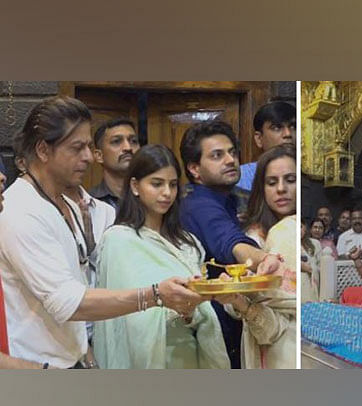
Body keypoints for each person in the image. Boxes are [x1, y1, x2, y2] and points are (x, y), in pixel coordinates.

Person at [0, 96, 206, 369]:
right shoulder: (21, 208)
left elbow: (81, 284)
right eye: (77, 148)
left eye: (88, 146)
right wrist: (155, 295)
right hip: (35, 366)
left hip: (73, 361)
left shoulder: (68, 204)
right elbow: (67, 303)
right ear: (43, 150)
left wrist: (85, 352)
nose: (88, 157)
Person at [93, 144, 229, 369]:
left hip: (191, 354)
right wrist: (171, 305)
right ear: (135, 186)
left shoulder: (188, 242)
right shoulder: (120, 240)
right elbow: (126, 317)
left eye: (173, 184)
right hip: (150, 358)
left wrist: (193, 307)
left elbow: (198, 307)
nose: (167, 193)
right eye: (157, 184)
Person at [179, 120, 281, 368]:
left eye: (232, 153)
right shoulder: (198, 203)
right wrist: (263, 259)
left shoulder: (235, 198)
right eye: (217, 155)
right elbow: (230, 242)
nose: (230, 160)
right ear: (194, 169)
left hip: (245, 316)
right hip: (216, 325)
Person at [214, 144, 297, 369]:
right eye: (272, 182)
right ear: (261, 189)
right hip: (271, 343)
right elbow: (243, 299)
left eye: (290, 180)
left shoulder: (304, 236)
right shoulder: (252, 240)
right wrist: (237, 298)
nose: (281, 189)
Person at [236, 101, 296, 192]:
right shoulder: (240, 177)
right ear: (259, 139)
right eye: (276, 128)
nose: (288, 134)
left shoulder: (309, 175)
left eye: (293, 127)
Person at [89, 118, 140, 210]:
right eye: (116, 141)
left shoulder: (151, 197)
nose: (128, 147)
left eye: (133, 141)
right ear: (99, 156)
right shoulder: (90, 202)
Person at [301, 219, 321, 303]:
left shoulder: (315, 243)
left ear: (305, 228)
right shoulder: (286, 244)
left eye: (300, 227)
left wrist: (310, 269)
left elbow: (321, 266)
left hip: (312, 283)